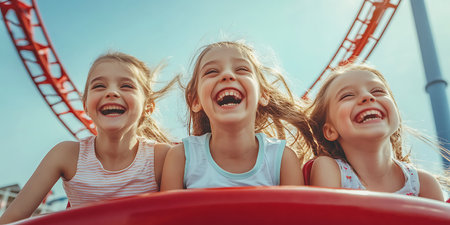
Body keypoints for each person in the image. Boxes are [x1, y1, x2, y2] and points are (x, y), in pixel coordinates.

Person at [0, 52, 175, 223]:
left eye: (126, 86)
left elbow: (173, 219)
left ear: (148, 107)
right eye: (99, 86)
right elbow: (10, 220)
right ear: (85, 105)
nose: (112, 92)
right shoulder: (67, 154)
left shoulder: (162, 157)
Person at [161, 41, 314, 190]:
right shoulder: (181, 158)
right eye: (211, 71)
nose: (227, 75)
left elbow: (294, 215)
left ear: (263, 95)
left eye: (241, 69)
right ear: (195, 100)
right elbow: (168, 215)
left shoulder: (282, 159)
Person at [307, 63, 445, 201]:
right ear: (330, 131)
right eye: (347, 95)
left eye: (378, 91)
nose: (367, 96)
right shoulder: (330, 169)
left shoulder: (423, 183)